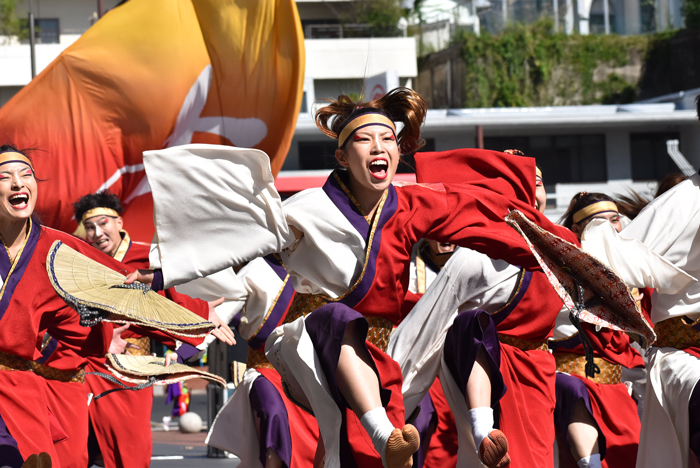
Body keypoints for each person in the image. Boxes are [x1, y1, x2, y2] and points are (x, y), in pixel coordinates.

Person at [138, 88, 581, 468]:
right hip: (308, 346)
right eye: (364, 140)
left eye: (387, 139)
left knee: (471, 325)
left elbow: (478, 216)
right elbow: (229, 240)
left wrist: (562, 253)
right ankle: (381, 433)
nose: (378, 148)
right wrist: (159, 270)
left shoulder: (411, 205)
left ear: (398, 151)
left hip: (388, 348)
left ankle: (482, 432)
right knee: (334, 319)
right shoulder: (305, 209)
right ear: (342, 156)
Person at [31, 188, 235, 468]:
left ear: (119, 223)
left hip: (129, 371)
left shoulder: (148, 259)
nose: (97, 233)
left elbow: (166, 305)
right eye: (89, 227)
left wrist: (189, 337)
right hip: (82, 365)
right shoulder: (80, 261)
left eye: (103, 223)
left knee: (129, 455)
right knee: (72, 452)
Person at [551, 193, 645, 468]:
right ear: (577, 230)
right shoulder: (561, 269)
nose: (608, 227)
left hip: (618, 388)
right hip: (572, 382)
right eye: (597, 221)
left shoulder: (633, 269)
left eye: (614, 219)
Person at [205, 254, 320, 468]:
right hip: (264, 369)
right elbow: (218, 315)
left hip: (307, 372)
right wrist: (181, 351)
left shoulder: (314, 259)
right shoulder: (256, 269)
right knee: (273, 413)